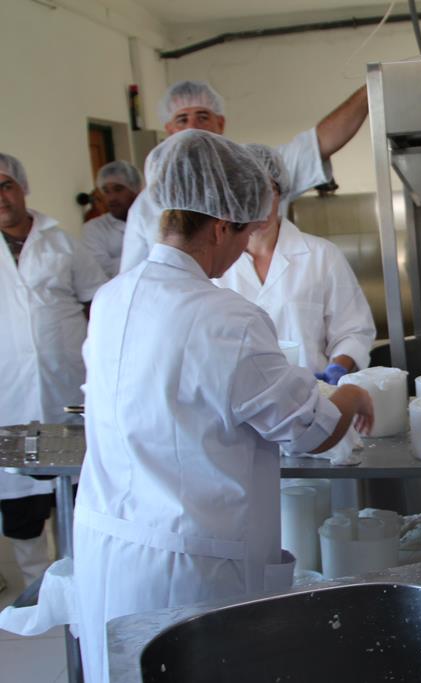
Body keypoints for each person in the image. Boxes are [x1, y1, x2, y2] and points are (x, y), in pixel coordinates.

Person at [72, 130, 374, 683]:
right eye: (245, 231)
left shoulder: (114, 297)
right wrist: (350, 397)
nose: (245, 246)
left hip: (109, 550)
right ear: (218, 227)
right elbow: (310, 430)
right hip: (190, 568)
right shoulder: (226, 318)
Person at [119, 79, 368, 272]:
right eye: (182, 119)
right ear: (169, 129)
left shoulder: (253, 174)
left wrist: (371, 89)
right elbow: (133, 276)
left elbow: (319, 143)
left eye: (203, 117)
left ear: (220, 123)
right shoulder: (147, 204)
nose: (193, 127)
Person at [0, 153, 108, 586]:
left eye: (6, 184)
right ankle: (35, 590)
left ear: (22, 187)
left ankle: (79, 585)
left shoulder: (63, 243)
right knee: (21, 505)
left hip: (66, 386)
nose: (1, 196)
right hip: (9, 394)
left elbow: (98, 304)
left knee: (78, 497)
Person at [214, 144, 375, 380]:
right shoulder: (216, 265)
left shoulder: (322, 256)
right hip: (243, 398)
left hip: (314, 392)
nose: (261, 202)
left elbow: (353, 330)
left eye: (268, 190)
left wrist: (337, 370)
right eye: (250, 192)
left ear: (281, 193)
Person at [82, 160, 143, 277]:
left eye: (118, 189)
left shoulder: (155, 221)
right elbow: (102, 269)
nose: (111, 198)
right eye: (106, 191)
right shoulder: (94, 228)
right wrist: (146, 258)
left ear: (135, 189)